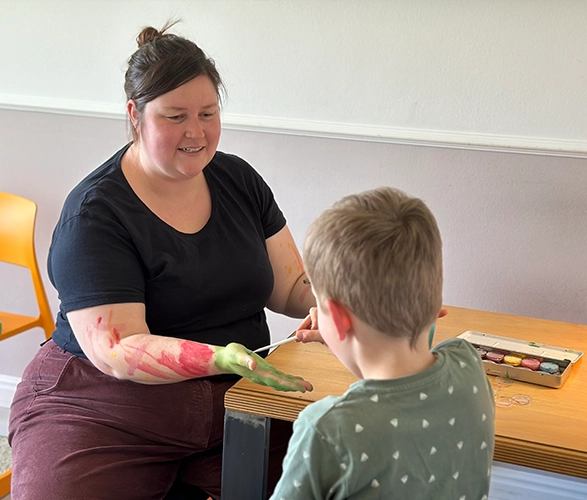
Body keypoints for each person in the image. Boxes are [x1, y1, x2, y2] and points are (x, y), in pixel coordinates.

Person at [8, 22, 316, 500]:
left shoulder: (239, 180)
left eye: (208, 113)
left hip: (237, 401)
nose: (196, 132)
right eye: (175, 117)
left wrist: (354, 297)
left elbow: (293, 287)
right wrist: (217, 356)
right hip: (104, 407)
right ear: (136, 114)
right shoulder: (95, 213)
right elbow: (120, 349)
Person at [272, 187, 495, 499]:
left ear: (336, 318)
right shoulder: (467, 364)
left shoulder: (328, 429)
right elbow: (403, 390)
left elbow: (382, 405)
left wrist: (344, 337)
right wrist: (344, 336)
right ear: (435, 303)